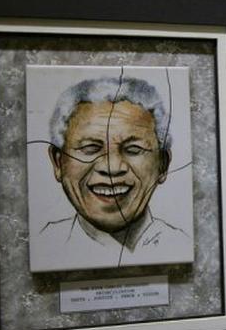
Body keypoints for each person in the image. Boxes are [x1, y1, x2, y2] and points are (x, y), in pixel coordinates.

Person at [29, 76, 194, 272]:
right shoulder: (42, 243)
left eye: (133, 149)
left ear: (163, 165)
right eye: (90, 148)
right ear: (58, 162)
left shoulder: (183, 242)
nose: (112, 167)